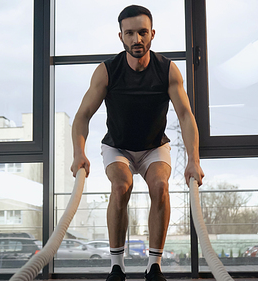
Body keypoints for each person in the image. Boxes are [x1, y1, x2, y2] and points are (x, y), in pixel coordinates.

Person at [71, 5, 204, 281]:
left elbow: (185, 116)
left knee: (160, 185)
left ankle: (153, 265)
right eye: (130, 33)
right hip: (118, 146)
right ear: (120, 36)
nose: (137, 39)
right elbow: (82, 116)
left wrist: (194, 160)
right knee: (121, 186)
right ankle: (117, 266)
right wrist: (78, 153)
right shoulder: (107, 72)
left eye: (142, 32)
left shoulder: (167, 70)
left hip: (154, 146)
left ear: (152, 34)